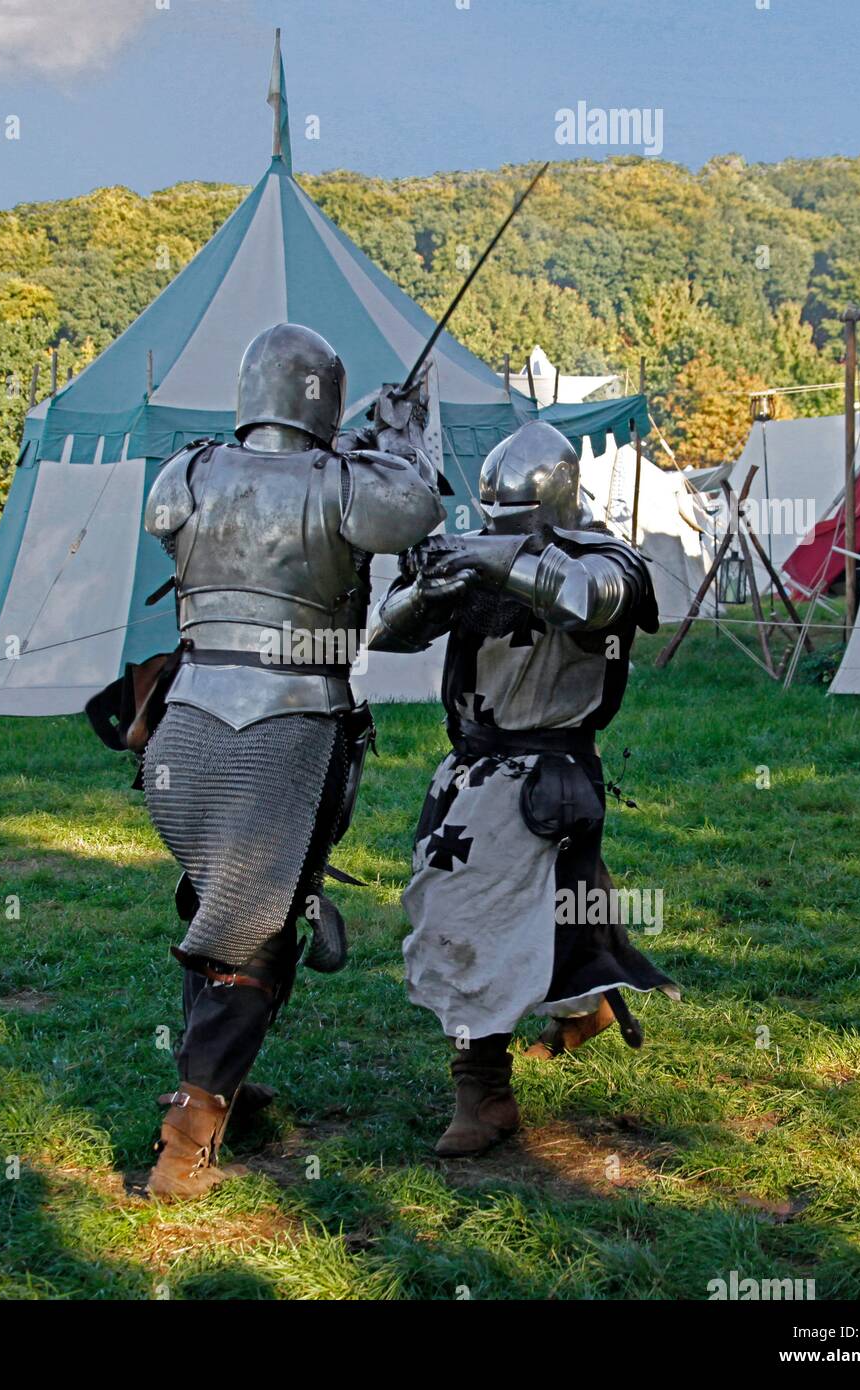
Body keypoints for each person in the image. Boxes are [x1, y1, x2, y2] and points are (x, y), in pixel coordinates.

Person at [139, 322, 445, 1199]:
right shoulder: (350, 482)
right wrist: (405, 437)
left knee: (214, 904)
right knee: (252, 928)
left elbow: (238, 507)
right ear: (327, 399)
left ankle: (220, 1080)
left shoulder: (187, 473)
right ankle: (189, 1129)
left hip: (189, 722)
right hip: (288, 725)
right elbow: (417, 512)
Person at [366, 420, 679, 1158]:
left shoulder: (609, 558)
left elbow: (590, 601)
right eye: (494, 524)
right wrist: (432, 586)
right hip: (471, 767)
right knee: (550, 913)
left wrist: (493, 556)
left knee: (465, 916)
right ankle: (581, 1008)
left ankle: (485, 1092)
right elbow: (393, 635)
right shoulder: (485, 556)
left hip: (543, 773)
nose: (501, 533)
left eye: (517, 525)